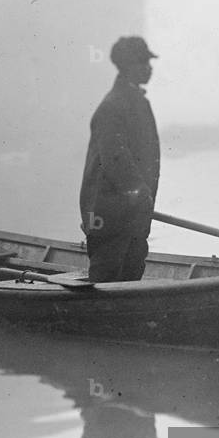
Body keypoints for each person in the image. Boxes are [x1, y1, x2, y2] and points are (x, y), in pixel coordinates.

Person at [80, 36, 160, 282]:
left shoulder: (135, 101)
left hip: (133, 215)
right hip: (110, 216)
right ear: (129, 66)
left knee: (131, 276)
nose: (149, 67)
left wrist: (142, 200)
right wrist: (139, 192)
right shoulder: (113, 106)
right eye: (143, 62)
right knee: (107, 281)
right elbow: (114, 157)